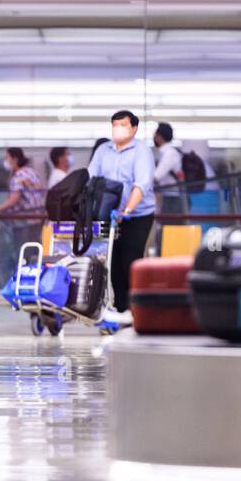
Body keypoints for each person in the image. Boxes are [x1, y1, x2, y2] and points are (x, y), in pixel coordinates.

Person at [88, 110, 157, 322]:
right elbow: (91, 178)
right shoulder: (103, 150)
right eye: (115, 124)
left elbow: (141, 184)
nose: (118, 128)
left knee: (130, 260)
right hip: (108, 216)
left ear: (134, 129)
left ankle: (135, 310)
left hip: (137, 215)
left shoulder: (141, 151)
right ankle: (119, 310)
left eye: (123, 125)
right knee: (112, 261)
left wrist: (126, 211)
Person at [0, 147, 45, 215]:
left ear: (15, 159)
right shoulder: (32, 172)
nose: (5, 161)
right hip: (38, 215)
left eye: (7, 158)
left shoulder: (18, 177)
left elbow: (13, 201)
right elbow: (41, 190)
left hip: (25, 218)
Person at [152, 122, 184, 213]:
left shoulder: (170, 153)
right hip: (168, 196)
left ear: (160, 136)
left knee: (170, 225)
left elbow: (157, 176)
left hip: (172, 198)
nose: (154, 138)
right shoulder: (165, 153)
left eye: (155, 135)